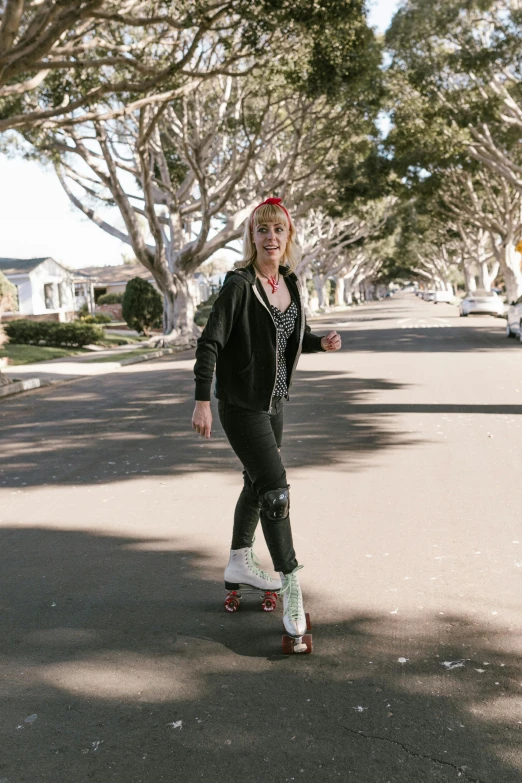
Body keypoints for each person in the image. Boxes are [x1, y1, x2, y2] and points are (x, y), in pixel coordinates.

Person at [192, 197, 341, 642]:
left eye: (278, 230)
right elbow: (210, 343)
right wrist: (202, 399)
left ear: (287, 237)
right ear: (251, 238)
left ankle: (240, 560)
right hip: (240, 406)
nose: (270, 237)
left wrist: (320, 343)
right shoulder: (239, 284)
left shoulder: (290, 284)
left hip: (274, 404)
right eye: (262, 230)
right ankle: (292, 585)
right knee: (275, 493)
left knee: (256, 484)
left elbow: (287, 337)